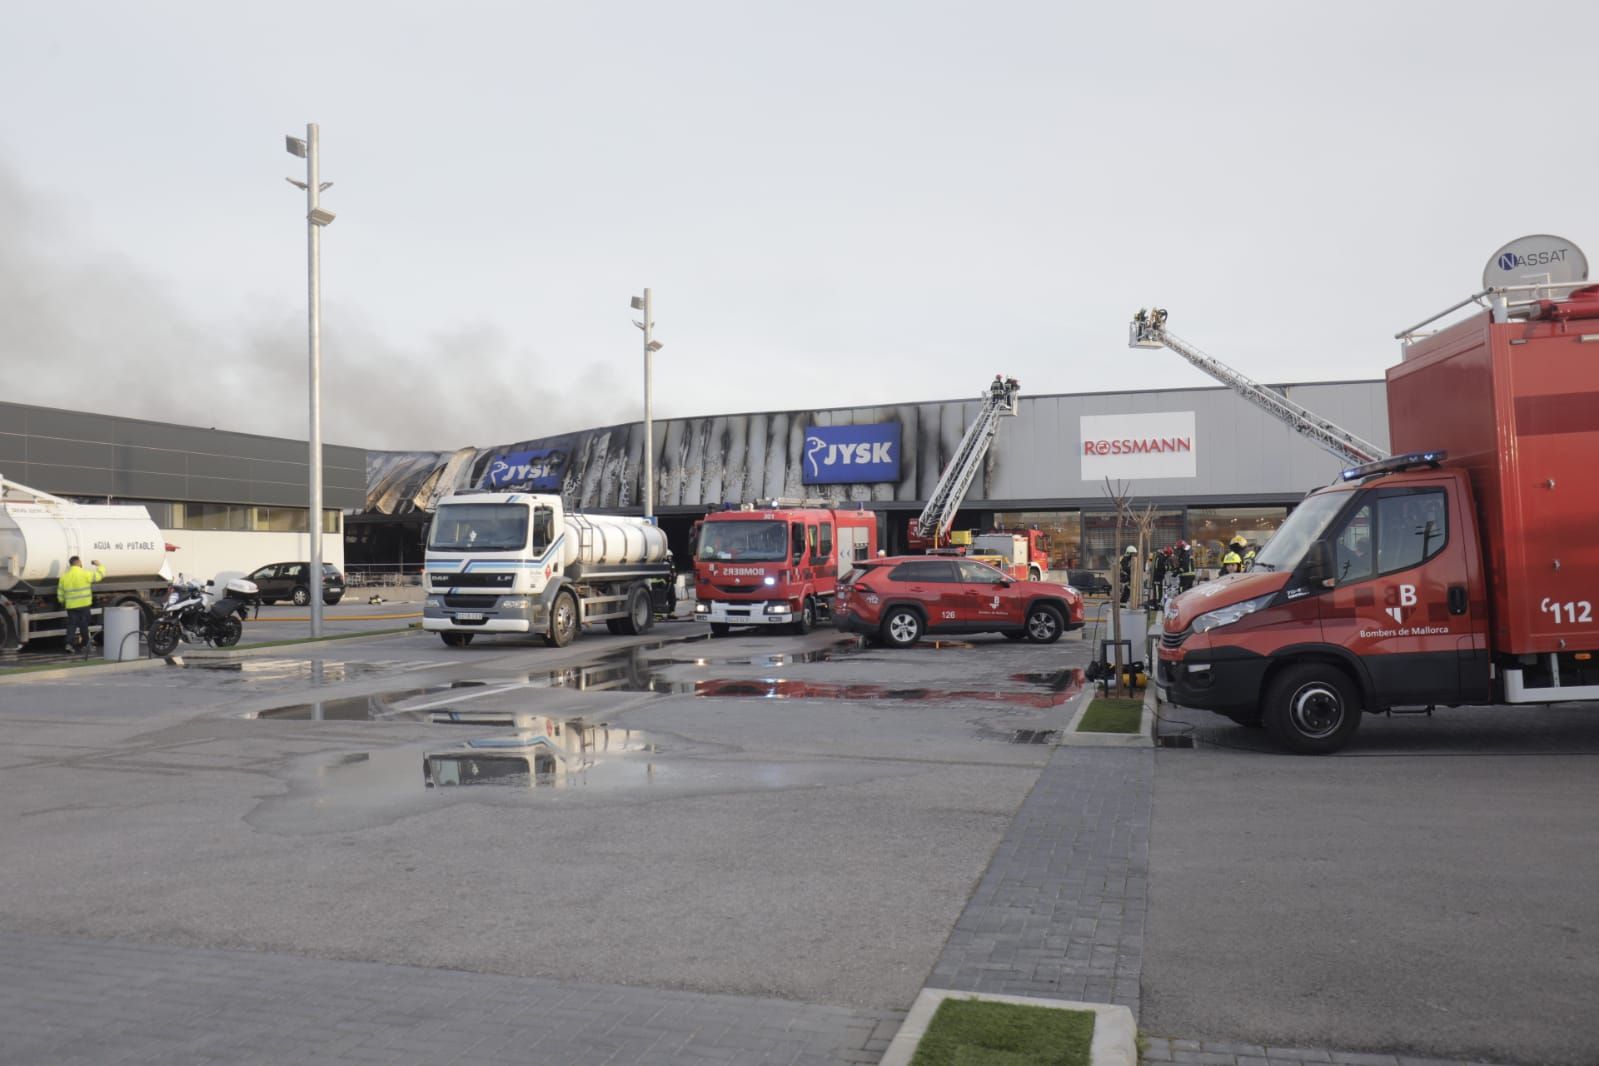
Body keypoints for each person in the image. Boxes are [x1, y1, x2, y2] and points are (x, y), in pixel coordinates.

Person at [57, 555, 104, 656]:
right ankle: (85, 645)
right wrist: (99, 565)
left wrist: (62, 601)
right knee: (84, 626)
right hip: (83, 605)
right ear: (78, 562)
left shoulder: (64, 576)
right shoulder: (85, 573)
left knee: (71, 626)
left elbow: (60, 592)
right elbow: (99, 575)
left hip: (71, 606)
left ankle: (68, 644)